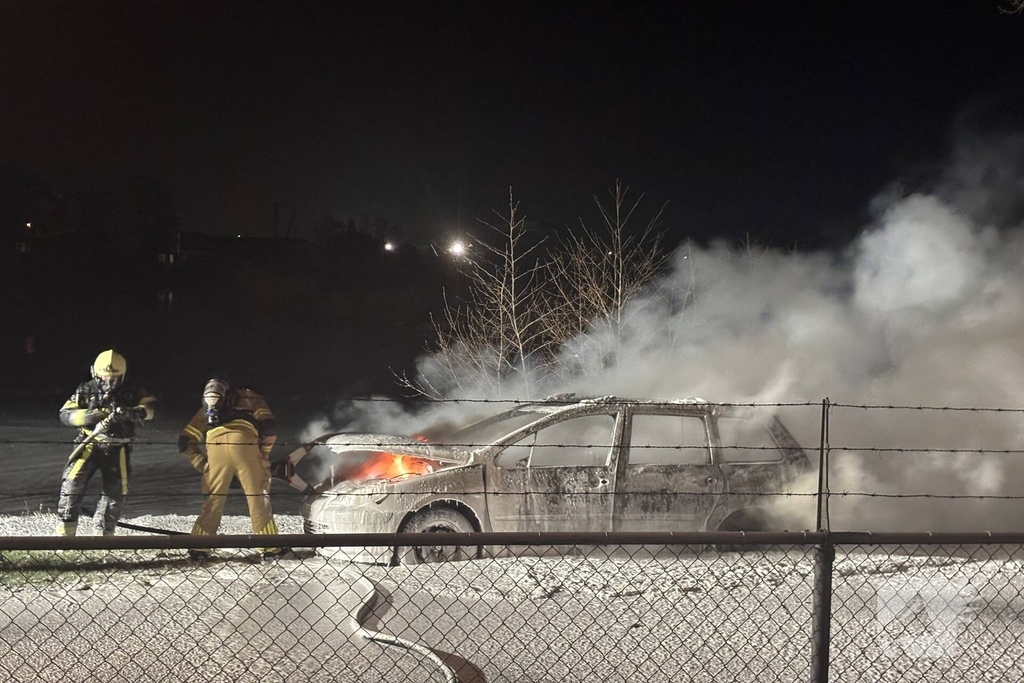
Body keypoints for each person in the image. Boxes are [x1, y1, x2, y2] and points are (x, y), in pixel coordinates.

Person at [178, 377, 288, 561]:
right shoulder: (251, 397)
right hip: (245, 445)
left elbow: (184, 441)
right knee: (258, 499)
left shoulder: (205, 409)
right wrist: (263, 455)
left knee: (213, 501)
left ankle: (199, 547)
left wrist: (203, 464)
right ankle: (270, 548)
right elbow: (269, 428)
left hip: (215, 448)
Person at [57, 349, 156, 536]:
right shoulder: (85, 389)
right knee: (71, 484)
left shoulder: (132, 392)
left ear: (123, 376)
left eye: (115, 378)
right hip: (89, 443)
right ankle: (65, 533)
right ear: (95, 373)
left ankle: (104, 536)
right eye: (104, 377)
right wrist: (87, 416)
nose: (110, 383)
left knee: (115, 492)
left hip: (118, 446)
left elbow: (150, 409)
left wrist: (132, 412)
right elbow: (64, 413)